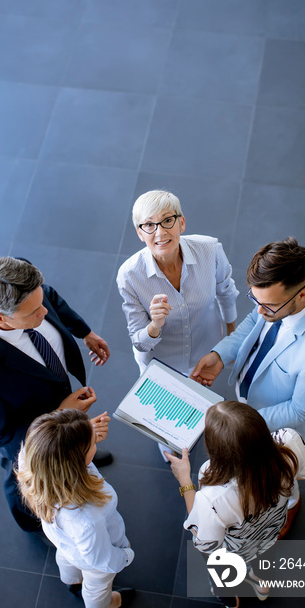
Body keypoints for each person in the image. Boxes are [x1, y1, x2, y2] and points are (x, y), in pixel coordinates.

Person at [191, 237, 305, 532]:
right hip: (250, 404)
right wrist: (221, 355)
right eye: (255, 300)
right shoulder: (274, 301)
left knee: (281, 478)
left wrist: (242, 424)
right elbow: (253, 323)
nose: (260, 312)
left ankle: (291, 503)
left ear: (301, 295)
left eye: (269, 306)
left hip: (276, 430)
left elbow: (302, 412)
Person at [0, 256, 111, 533]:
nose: (45, 313)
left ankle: (79, 455)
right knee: (19, 475)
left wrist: (84, 332)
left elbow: (49, 297)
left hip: (52, 395)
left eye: (40, 304)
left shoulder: (26, 289)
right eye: (33, 313)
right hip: (32, 435)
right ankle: (29, 518)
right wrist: (58, 417)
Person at [117, 190, 238, 460]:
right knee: (169, 428)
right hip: (160, 361)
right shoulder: (129, 275)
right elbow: (138, 340)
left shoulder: (210, 251)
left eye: (167, 221)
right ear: (140, 232)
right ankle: (170, 444)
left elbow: (226, 293)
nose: (159, 232)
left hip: (205, 347)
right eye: (149, 225)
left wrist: (231, 339)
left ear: (181, 223)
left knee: (197, 405)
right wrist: (155, 324)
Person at [165, 401, 305, 608]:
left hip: (233, 550)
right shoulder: (289, 441)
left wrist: (184, 480)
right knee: (266, 558)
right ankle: (262, 586)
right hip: (270, 532)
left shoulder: (213, 493)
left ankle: (232, 602)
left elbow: (203, 538)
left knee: (221, 573)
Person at [16, 409, 135, 608]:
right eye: (92, 444)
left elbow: (50, 441)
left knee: (66, 555)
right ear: (75, 462)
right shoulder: (87, 517)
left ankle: (71, 580)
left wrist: (78, 432)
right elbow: (102, 560)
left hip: (61, 538)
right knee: (97, 583)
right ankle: (101, 606)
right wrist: (125, 556)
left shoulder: (33, 457)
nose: (96, 444)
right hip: (93, 558)